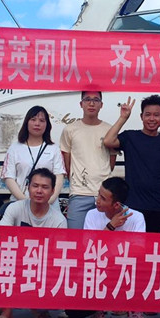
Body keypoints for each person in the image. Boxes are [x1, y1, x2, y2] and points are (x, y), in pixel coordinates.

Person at [65, 177, 151, 318]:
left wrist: (114, 257)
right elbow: (89, 249)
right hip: (99, 267)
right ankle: (99, 308)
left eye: (103, 198)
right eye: (98, 194)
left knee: (143, 267)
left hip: (125, 268)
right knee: (72, 311)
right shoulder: (92, 215)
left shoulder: (136, 217)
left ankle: (135, 314)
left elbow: (139, 251)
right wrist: (110, 227)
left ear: (116, 205)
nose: (97, 200)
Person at [0, 168, 68, 318]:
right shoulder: (15, 208)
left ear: (53, 191)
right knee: (5, 259)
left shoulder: (58, 220)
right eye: (35, 186)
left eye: (45, 187)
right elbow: (1, 235)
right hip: (15, 258)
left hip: (42, 264)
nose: (39, 191)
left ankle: (33, 304)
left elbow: (58, 255)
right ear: (28, 187)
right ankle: (7, 312)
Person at [102, 94, 160, 232]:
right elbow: (108, 141)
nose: (152, 119)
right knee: (131, 244)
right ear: (141, 116)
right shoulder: (130, 137)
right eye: (148, 114)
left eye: (156, 115)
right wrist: (123, 117)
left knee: (156, 245)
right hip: (132, 206)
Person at [59, 91, 116, 229]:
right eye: (87, 99)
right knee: (75, 237)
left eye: (96, 100)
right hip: (79, 193)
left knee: (105, 236)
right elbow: (67, 163)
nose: (91, 103)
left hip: (104, 193)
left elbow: (111, 162)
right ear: (81, 104)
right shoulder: (70, 130)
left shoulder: (109, 129)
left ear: (101, 105)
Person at [0, 105, 65, 207]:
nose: (37, 124)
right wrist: (25, 201)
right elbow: (9, 177)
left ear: (47, 125)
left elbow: (59, 176)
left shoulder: (54, 149)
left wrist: (48, 201)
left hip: (49, 205)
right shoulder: (15, 148)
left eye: (42, 120)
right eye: (33, 119)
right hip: (20, 204)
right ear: (26, 122)